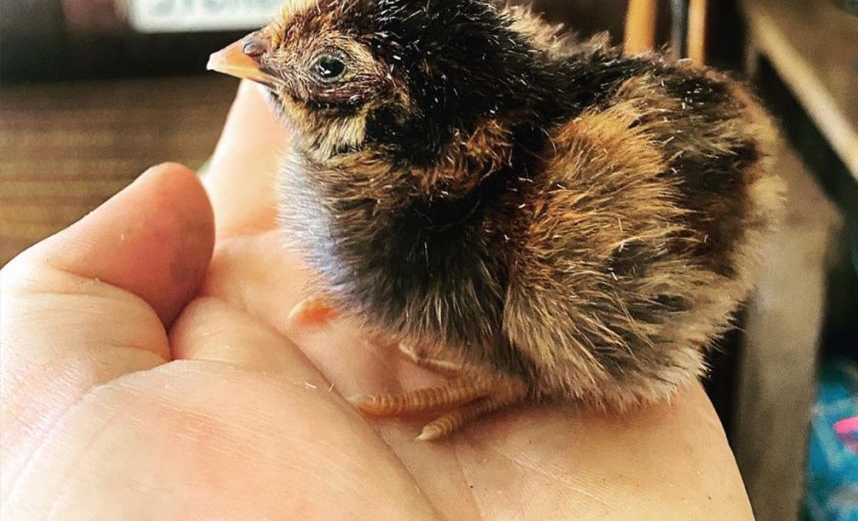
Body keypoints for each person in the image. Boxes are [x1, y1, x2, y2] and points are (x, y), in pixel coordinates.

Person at [1, 83, 753, 519]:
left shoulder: (495, 211)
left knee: (563, 302)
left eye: (329, 69)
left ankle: (524, 369)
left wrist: (518, 369)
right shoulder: (350, 182)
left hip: (594, 234)